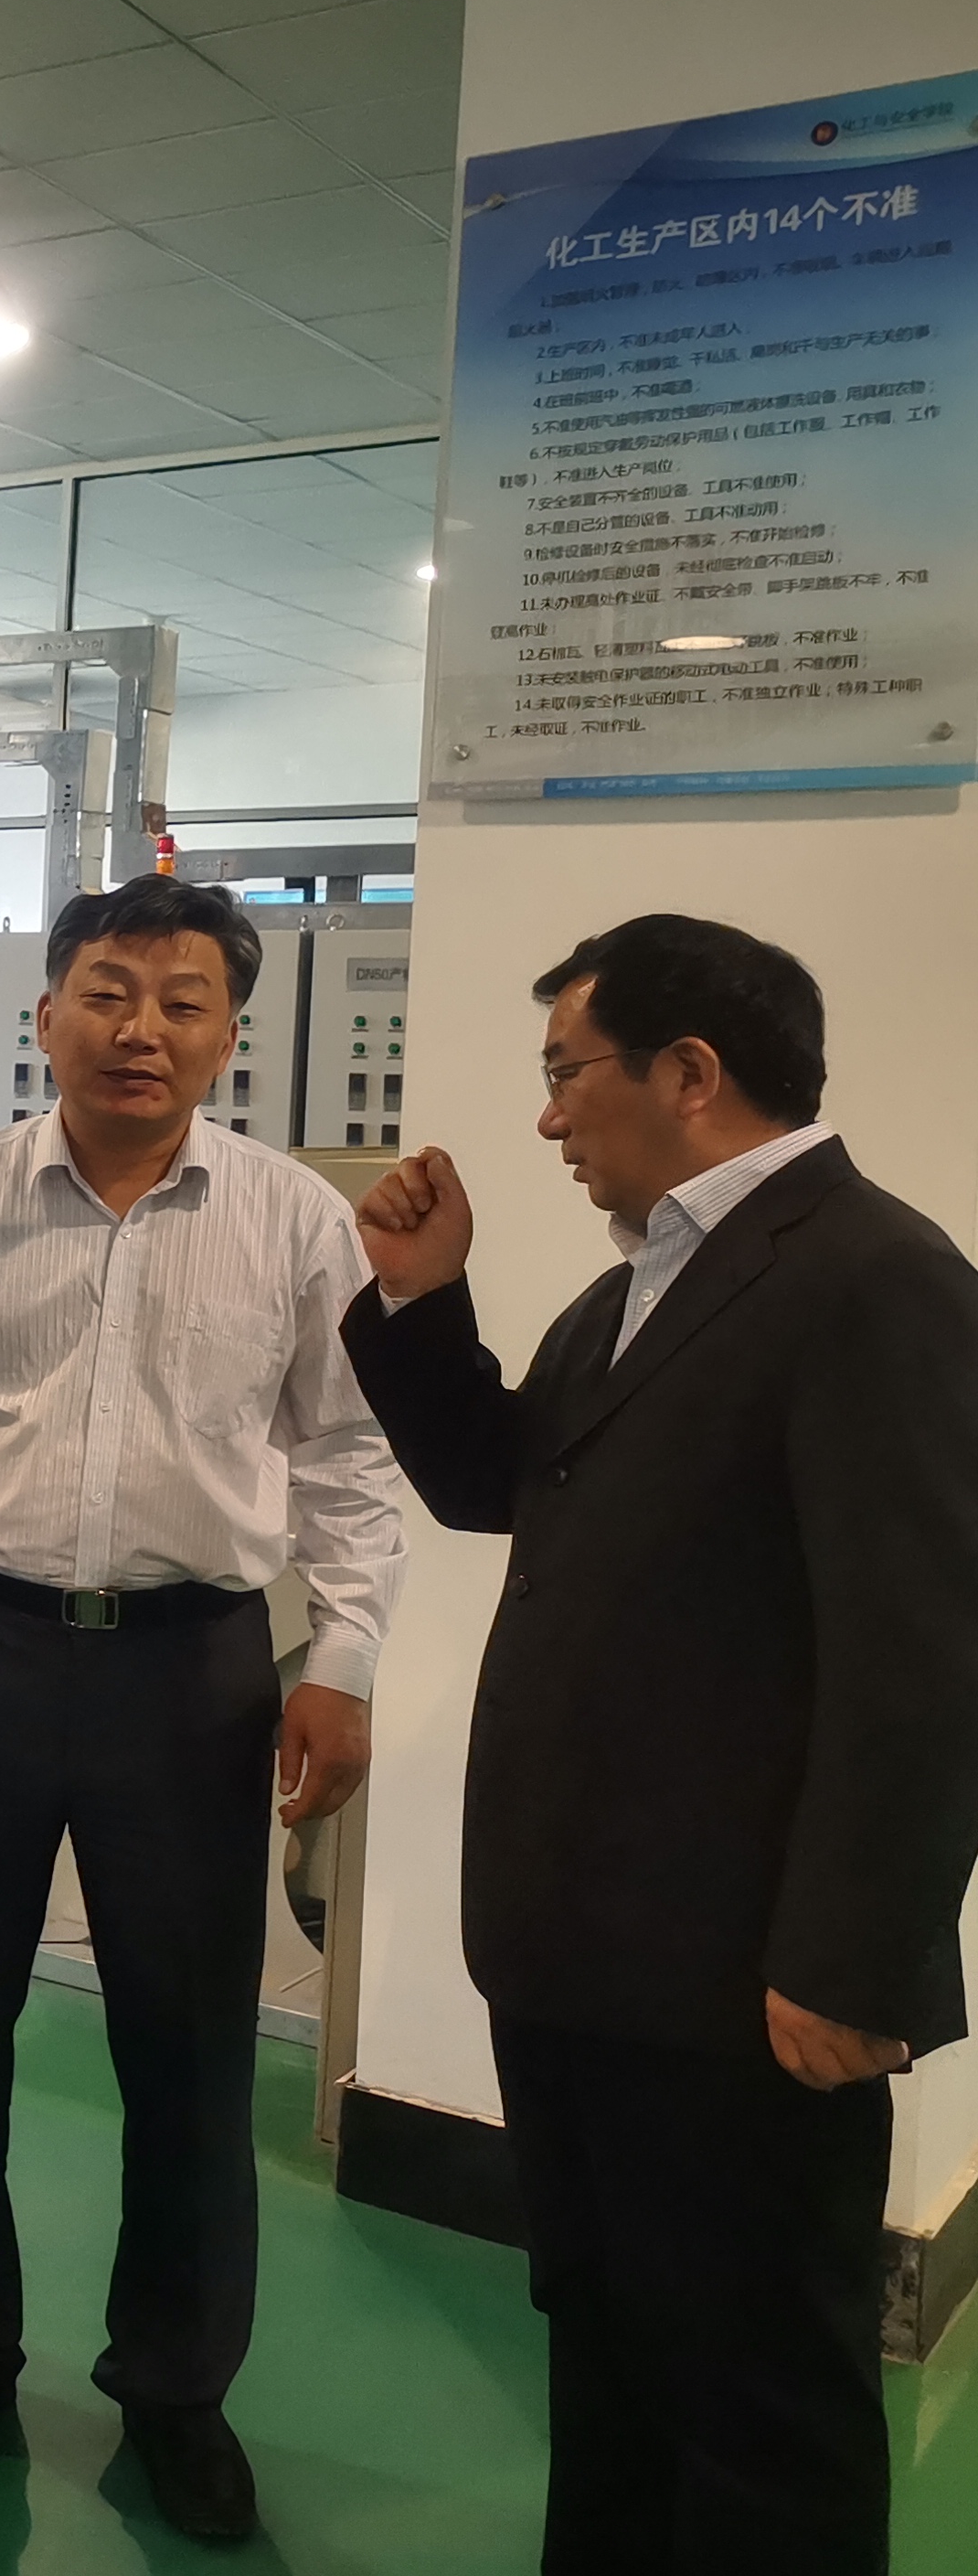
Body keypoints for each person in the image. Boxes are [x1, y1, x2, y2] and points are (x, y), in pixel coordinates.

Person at [344, 914, 978, 2576]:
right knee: (617, 2359)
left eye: (568, 1072)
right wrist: (422, 1301)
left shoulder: (876, 1282)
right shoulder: (642, 1288)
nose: (547, 1115)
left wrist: (852, 1962)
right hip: (588, 1959)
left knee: (762, 2408)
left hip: (746, 1991)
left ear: (689, 1073)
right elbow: (499, 1483)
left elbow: (927, 1659)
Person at [0, 872, 406, 2546]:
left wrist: (342, 1663)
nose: (144, 1030)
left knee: (188, 2045)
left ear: (228, 1033)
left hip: (194, 1671)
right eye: (111, 994)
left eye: (184, 1001)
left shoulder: (295, 1221)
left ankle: (177, 2387)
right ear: (47, 1013)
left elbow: (349, 1460)